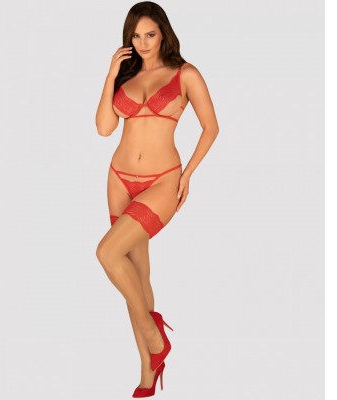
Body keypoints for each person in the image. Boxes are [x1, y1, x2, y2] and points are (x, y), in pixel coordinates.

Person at [95, 2, 219, 397]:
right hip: (119, 179)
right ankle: (149, 370)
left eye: (150, 34)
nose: (143, 42)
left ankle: (153, 335)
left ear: (163, 32)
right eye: (136, 36)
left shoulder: (186, 74)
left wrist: (188, 175)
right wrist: (111, 74)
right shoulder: (125, 76)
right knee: (136, 277)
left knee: (107, 254)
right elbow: (104, 128)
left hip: (163, 181)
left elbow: (211, 127)